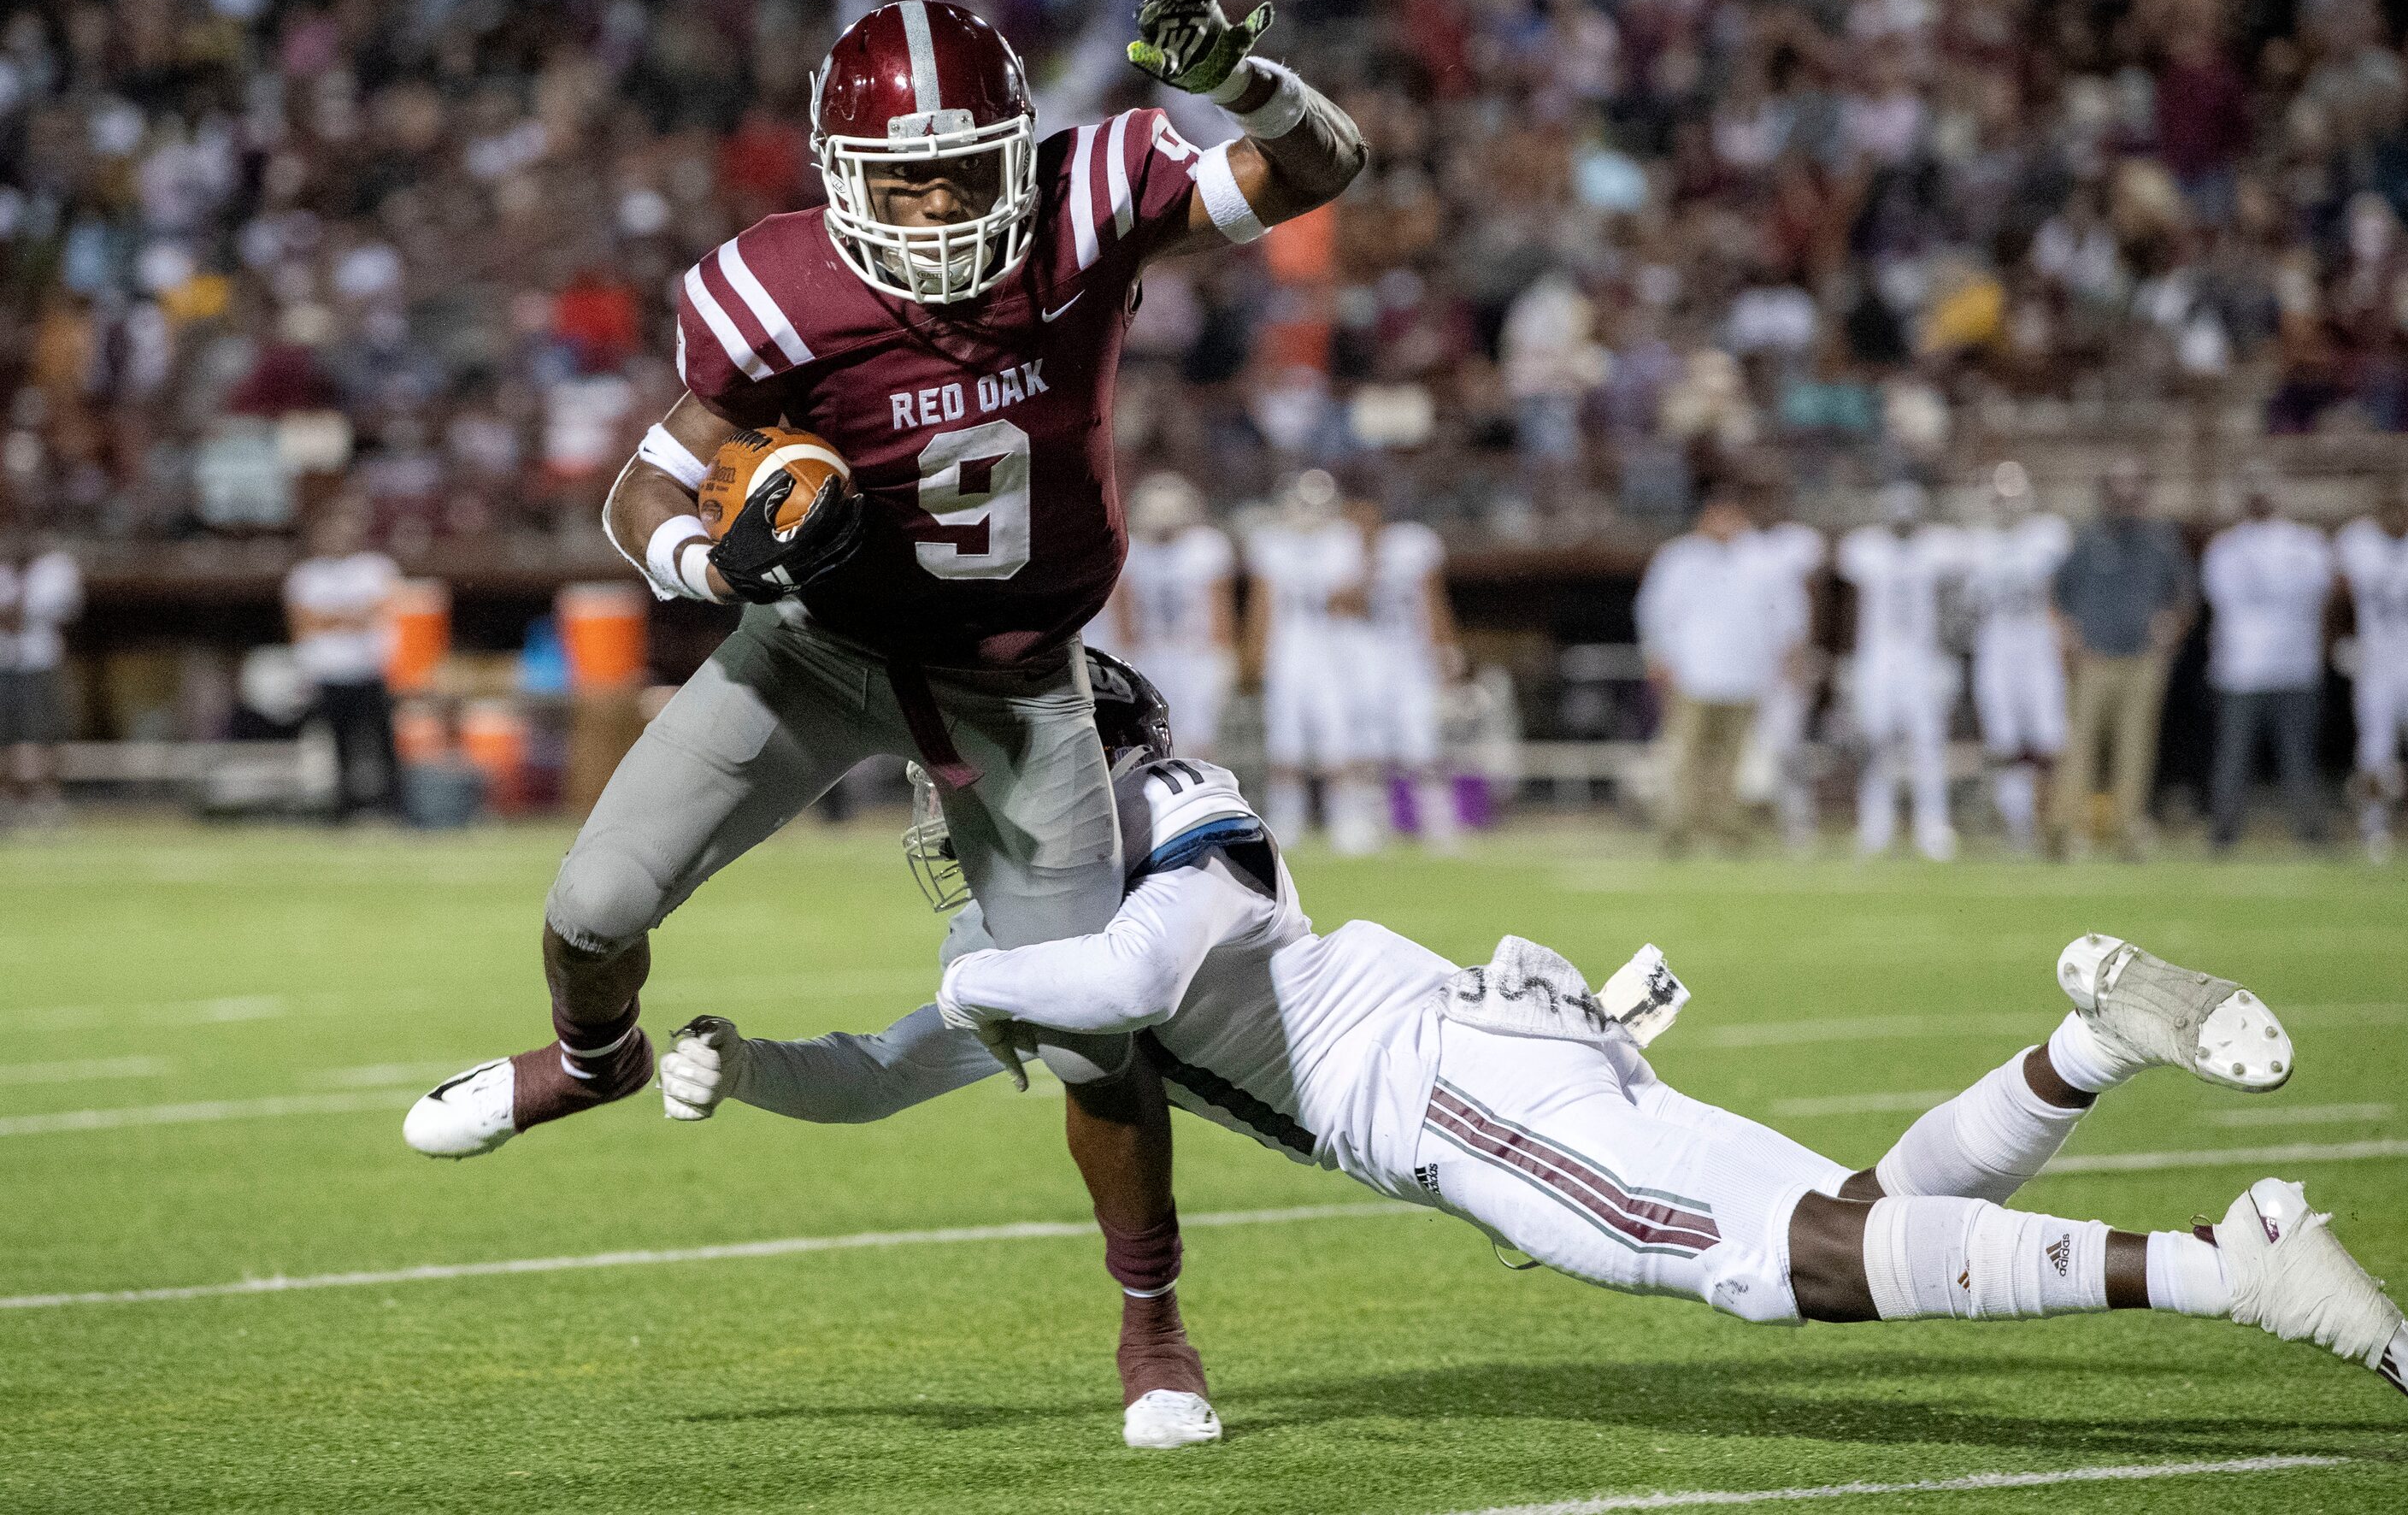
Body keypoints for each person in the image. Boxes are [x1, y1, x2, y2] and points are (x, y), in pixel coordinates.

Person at [403, 0, 1366, 1426]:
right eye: (895, 184)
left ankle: (1153, 1321)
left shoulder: (1088, 197)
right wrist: (708, 556)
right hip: (816, 649)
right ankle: (597, 1060)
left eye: (958, 176)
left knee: (1088, 1028)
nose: (926, 214)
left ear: (1016, 151)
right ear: (837, 178)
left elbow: (1316, 167)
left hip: (1015, 677)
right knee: (592, 908)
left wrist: (1243, 80)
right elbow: (642, 486)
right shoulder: (771, 289)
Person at [660, 653, 2408, 1431]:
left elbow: (1119, 989)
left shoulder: (1172, 812)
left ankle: (2223, 1263)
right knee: (1849, 1224)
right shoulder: (1025, 929)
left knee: (1779, 1267)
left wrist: (974, 986)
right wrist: (750, 1063)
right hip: (1490, 1054)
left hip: (1437, 1092)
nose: (957, 817)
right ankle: (2085, 1048)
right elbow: (898, 1066)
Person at [1635, 484, 1792, 853]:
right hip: (1694, 674)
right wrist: (1658, 656)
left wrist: (1785, 658)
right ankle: (1677, 830)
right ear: (1705, 518)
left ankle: (1727, 831)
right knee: (1685, 755)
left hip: (1746, 675)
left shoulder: (1761, 559)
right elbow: (1655, 611)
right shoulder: (1679, 558)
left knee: (1732, 760)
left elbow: (1784, 615)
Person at [2050, 460, 2193, 858]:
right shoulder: (2088, 538)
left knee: (2136, 749)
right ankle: (2066, 829)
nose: (2126, 491)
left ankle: (2129, 829)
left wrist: (2172, 630)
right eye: (2118, 483)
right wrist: (2068, 637)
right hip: (2094, 659)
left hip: (2142, 660)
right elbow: (2057, 594)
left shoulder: (2161, 540)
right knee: (2079, 747)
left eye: (2133, 483)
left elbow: (2184, 599)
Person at [1244, 469, 1378, 852]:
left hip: (1331, 644)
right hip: (1288, 645)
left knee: (1338, 732)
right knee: (1285, 736)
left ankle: (1347, 818)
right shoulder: (1270, 542)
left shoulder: (1343, 539)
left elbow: (1352, 602)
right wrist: (1253, 656)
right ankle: (1288, 819)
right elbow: (1262, 604)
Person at [2201, 466, 2334, 849]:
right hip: (2242, 668)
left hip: (2295, 665)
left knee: (2299, 757)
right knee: (2233, 757)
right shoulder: (2225, 547)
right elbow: (2218, 609)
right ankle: (2224, 833)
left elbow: (2326, 604)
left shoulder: (2306, 543)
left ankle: (2310, 832)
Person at [1837, 482, 1964, 860]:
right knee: (1876, 741)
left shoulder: (1936, 548)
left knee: (1928, 742)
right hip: (1878, 656)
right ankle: (1876, 827)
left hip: (1921, 655)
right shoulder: (1867, 549)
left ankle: (1933, 827)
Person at [1963, 462, 2072, 853]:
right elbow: (1969, 607)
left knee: (2048, 736)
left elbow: (2065, 589)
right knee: (2004, 738)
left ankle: (2056, 821)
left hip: (2037, 638)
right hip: (1997, 641)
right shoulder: (1978, 544)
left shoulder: (2048, 535)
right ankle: (2018, 825)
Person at [1350, 492, 1463, 852]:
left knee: (1421, 741)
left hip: (1411, 656)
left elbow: (1433, 600)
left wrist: (1445, 650)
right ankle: (1371, 824)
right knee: (1369, 744)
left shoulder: (1411, 544)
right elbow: (1343, 608)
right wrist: (1365, 562)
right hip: (1364, 657)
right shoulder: (1341, 552)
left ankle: (1438, 822)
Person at [282, 495, 401, 822]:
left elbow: (385, 612)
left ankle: (394, 808)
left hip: (369, 671)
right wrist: (353, 616)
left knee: (383, 744)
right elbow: (304, 623)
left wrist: (331, 618)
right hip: (328, 673)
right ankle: (341, 811)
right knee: (337, 747)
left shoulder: (376, 567)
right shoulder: (305, 575)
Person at [1112, 473, 1237, 762]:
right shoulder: (1133, 550)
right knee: (1148, 735)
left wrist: (1224, 652)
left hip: (1195, 652)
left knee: (1198, 739)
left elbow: (1219, 605)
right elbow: (1124, 612)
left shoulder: (1207, 546)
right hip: (1150, 653)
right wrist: (1125, 655)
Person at [1749, 489, 1828, 851]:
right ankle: (1745, 825)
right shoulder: (1742, 546)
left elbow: (1817, 594)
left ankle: (1798, 823)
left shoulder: (1798, 542)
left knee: (1788, 747)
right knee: (1749, 748)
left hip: (1788, 655)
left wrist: (1806, 649)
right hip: (1748, 661)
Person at [2335, 481, 2408, 859]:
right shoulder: (2357, 540)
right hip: (2377, 662)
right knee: (2375, 749)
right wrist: (2343, 639)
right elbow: (2337, 594)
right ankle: (2374, 826)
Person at [0, 520, 84, 823]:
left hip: (41, 663)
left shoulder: (56, 568)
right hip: (5, 664)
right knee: (6, 736)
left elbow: (33, 614)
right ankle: (8, 799)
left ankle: (46, 797)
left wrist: (18, 607)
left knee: (46, 733)